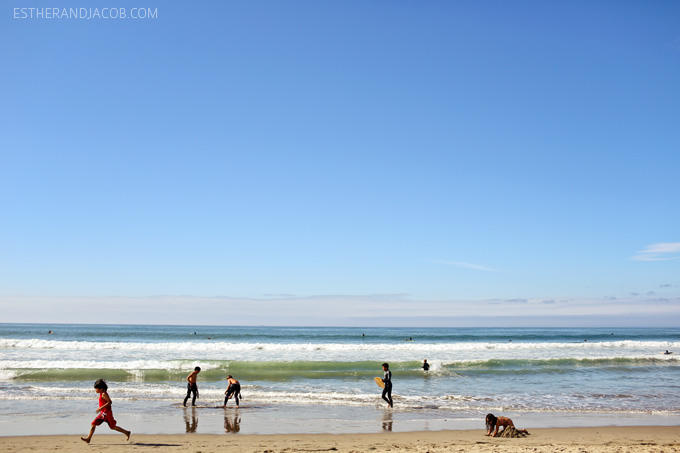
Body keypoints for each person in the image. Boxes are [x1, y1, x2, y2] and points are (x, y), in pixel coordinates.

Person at [81, 379, 131, 444]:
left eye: (96, 388)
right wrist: (101, 409)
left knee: (112, 427)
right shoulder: (101, 393)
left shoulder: (104, 394)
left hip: (107, 413)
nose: (95, 390)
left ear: (101, 388)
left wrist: (100, 408)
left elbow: (110, 402)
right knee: (93, 424)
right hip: (103, 413)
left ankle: (127, 432)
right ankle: (88, 439)